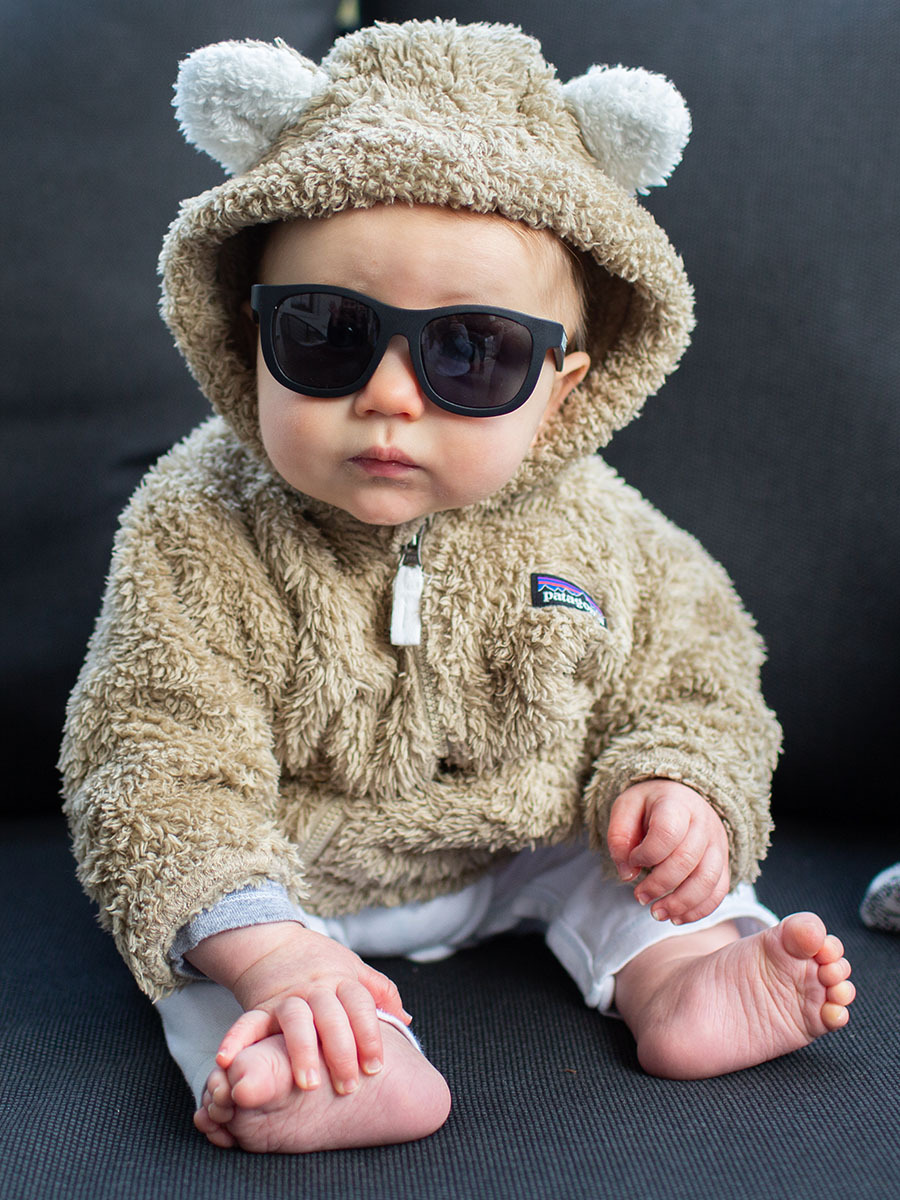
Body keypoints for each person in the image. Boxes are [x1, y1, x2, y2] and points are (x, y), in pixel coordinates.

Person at [59, 20, 855, 1154]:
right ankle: (326, 1054)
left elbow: (700, 673)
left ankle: (683, 973)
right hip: (292, 869)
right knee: (193, 946)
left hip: (520, 841)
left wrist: (681, 786)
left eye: (473, 353)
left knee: (644, 867)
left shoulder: (606, 531)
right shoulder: (197, 526)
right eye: (328, 336)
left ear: (562, 391)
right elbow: (151, 754)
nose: (390, 396)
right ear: (250, 341)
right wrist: (273, 950)